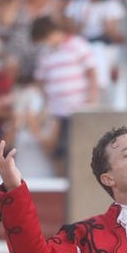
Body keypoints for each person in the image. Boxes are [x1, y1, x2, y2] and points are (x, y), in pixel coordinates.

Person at [30, 15, 99, 174]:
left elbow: (92, 72)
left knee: (79, 151)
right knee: (57, 152)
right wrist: (46, 105)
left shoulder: (77, 45)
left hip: (78, 109)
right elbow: (41, 81)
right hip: (56, 112)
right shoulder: (45, 54)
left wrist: (92, 98)